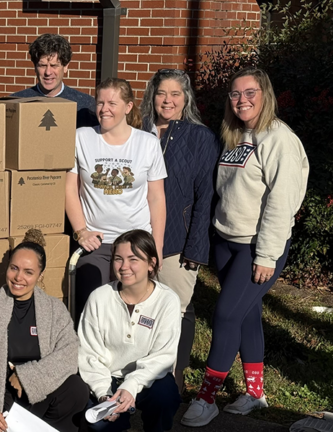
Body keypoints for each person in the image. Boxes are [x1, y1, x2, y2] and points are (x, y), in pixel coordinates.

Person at [181, 68, 309, 427]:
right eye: (235, 94)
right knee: (246, 313)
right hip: (227, 241)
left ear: (265, 94)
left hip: (256, 246)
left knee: (224, 315)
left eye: (250, 92)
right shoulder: (235, 134)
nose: (242, 100)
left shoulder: (279, 139)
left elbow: (281, 204)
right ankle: (255, 393)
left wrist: (267, 255)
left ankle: (206, 398)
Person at [0, 229, 90, 432]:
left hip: (40, 391)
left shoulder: (54, 310)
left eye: (28, 272)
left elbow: (68, 354)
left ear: (40, 275)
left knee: (76, 389)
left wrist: (26, 377)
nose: (19, 278)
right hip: (0, 394)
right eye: (14, 268)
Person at [139, 68, 221, 392]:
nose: (168, 100)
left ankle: (175, 378)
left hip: (178, 243)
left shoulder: (200, 138)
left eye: (175, 94)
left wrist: (196, 250)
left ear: (185, 98)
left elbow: (206, 198)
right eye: (162, 93)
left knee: (177, 310)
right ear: (152, 96)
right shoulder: (137, 131)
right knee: (141, 312)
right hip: (137, 242)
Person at [65, 77, 167, 320]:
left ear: (128, 107)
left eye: (112, 103)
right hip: (95, 244)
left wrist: (157, 247)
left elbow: (156, 198)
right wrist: (81, 231)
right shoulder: (81, 137)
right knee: (91, 313)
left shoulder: (147, 143)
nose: (104, 109)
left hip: (136, 244)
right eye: (100, 103)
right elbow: (69, 189)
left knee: (132, 313)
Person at [78, 229, 182, 432]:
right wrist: (104, 394)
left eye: (133, 259)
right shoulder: (99, 297)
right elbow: (88, 353)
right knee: (101, 424)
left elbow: (163, 356)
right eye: (118, 259)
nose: (124, 267)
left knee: (166, 397)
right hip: (107, 380)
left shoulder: (167, 300)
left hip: (149, 379)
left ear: (151, 263)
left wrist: (131, 385)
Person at [10, 33, 98, 127]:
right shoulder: (15, 103)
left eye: (54, 65)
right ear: (35, 67)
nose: (48, 72)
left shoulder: (85, 106)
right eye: (42, 65)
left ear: (65, 67)